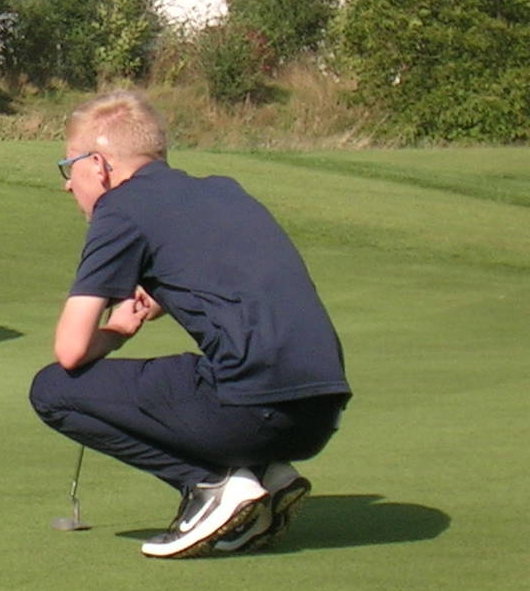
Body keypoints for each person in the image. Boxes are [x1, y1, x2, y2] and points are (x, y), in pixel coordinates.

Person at [29, 91, 351, 557]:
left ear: (97, 165)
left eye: (68, 166)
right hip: (320, 414)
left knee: (53, 390)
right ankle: (265, 474)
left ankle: (211, 485)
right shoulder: (224, 190)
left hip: (251, 411)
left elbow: (71, 349)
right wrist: (161, 294)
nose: (67, 185)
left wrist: (119, 330)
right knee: (210, 375)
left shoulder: (119, 207)